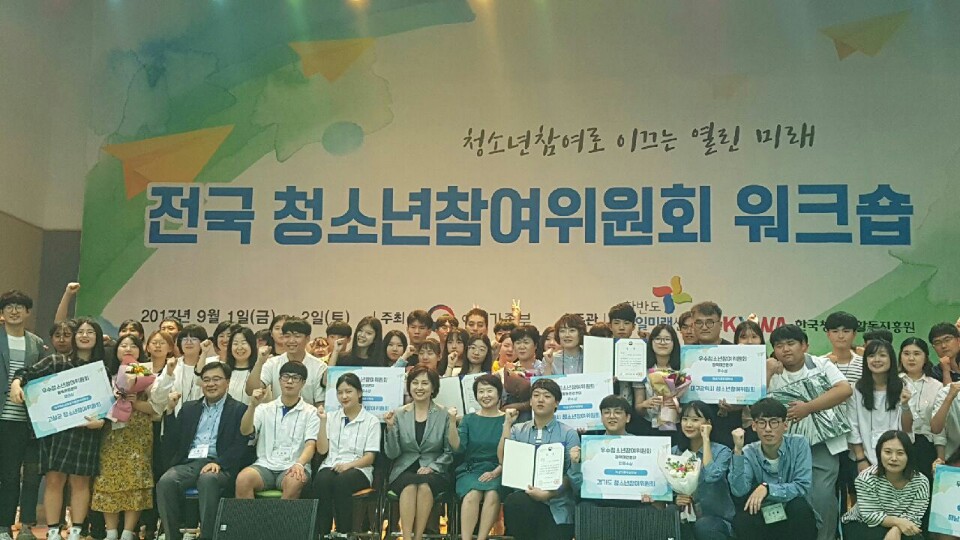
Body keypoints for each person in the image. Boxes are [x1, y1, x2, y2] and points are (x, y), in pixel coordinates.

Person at [10, 319, 115, 540]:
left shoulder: (101, 370)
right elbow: (26, 373)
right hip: (56, 431)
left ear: (97, 338)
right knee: (54, 480)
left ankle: (76, 530)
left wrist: (102, 422)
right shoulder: (56, 361)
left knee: (80, 481)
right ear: (74, 337)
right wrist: (17, 383)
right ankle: (53, 531)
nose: (84, 335)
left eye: (90, 332)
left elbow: (108, 407)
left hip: (86, 432)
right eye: (80, 332)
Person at [767, 324, 852, 540]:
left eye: (791, 343)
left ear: (804, 345)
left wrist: (808, 407)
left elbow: (844, 389)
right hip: (785, 448)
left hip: (822, 445)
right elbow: (757, 406)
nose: (785, 349)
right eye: (779, 345)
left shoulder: (821, 364)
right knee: (790, 501)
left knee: (822, 497)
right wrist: (767, 372)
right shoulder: (772, 371)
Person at [156, 362, 248, 540]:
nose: (210, 384)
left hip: (220, 464)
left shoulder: (238, 409)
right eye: (206, 380)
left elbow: (240, 444)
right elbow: (172, 441)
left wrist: (219, 463)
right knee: (166, 482)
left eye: (216, 379)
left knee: (208, 479)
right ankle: (171, 536)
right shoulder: (189, 408)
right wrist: (170, 411)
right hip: (190, 463)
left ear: (227, 382)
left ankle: (208, 536)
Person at [92, 335, 166, 540]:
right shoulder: (106, 375)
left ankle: (127, 532)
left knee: (136, 480)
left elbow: (156, 409)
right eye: (123, 345)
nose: (128, 348)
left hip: (138, 433)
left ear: (140, 350)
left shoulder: (147, 374)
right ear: (116, 350)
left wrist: (135, 402)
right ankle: (111, 532)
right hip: (112, 432)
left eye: (133, 345)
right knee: (108, 479)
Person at [500, 378, 581, 540]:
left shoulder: (569, 433)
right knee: (515, 501)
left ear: (556, 403)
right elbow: (504, 460)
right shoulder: (518, 430)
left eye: (547, 396)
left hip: (556, 504)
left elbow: (570, 475)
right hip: (525, 498)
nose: (540, 400)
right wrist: (507, 425)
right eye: (536, 395)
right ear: (530, 401)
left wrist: (548, 494)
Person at [729, 398, 817, 540]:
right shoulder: (748, 451)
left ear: (785, 425)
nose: (768, 429)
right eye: (762, 423)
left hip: (792, 511)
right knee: (742, 519)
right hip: (763, 514)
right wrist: (738, 451)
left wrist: (768, 489)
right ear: (754, 426)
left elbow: (802, 486)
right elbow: (739, 490)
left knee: (799, 507)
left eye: (774, 422)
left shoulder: (799, 444)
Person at [383, 366, 453, 540]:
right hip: (404, 469)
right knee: (409, 485)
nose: (419, 387)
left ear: (433, 388)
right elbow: (392, 453)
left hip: (435, 470)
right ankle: (408, 537)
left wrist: (433, 467)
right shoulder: (399, 413)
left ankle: (418, 536)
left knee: (424, 486)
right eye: (415, 383)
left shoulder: (444, 414)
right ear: (409, 386)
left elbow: (449, 451)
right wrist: (390, 428)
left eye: (425, 383)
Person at [236, 361, 320, 500]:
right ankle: (249, 516)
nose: (289, 381)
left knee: (294, 481)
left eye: (295, 378)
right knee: (243, 479)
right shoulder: (264, 409)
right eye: (285, 377)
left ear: (303, 383)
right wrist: (252, 406)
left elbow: (310, 445)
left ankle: (279, 516)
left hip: (294, 465)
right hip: (264, 465)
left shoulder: (311, 412)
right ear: (279, 380)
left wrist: (299, 464)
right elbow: (245, 431)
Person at [0, 290, 46, 540]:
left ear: (28, 312)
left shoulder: (36, 344)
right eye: (9, 306)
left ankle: (4, 526)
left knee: (10, 476)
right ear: (2, 312)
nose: (14, 311)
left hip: (20, 420)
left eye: (19, 306)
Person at [312, 373, 381, 536]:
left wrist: (348, 466)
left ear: (359, 393)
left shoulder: (371, 421)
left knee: (342, 481)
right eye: (340, 392)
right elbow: (322, 450)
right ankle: (323, 533)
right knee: (322, 480)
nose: (344, 396)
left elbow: (369, 458)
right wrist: (322, 422)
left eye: (349, 391)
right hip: (332, 465)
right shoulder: (331, 417)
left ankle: (344, 532)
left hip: (359, 469)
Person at [447, 374, 506, 540]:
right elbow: (457, 447)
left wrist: (496, 472)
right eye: (481, 391)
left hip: (499, 470)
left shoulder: (507, 419)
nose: (485, 395)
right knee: (472, 494)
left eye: (489, 391)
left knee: (492, 493)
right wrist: (451, 422)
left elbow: (509, 453)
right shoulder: (468, 419)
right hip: (471, 470)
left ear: (499, 393)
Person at [841, 430, 928, 540]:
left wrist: (896, 529)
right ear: (879, 454)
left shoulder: (921, 482)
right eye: (888, 452)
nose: (894, 458)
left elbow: (914, 516)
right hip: (862, 523)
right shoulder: (866, 478)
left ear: (909, 456)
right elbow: (870, 515)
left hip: (902, 526)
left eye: (900, 453)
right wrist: (898, 522)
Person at [670, 401, 735, 540]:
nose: (688, 424)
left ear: (708, 423)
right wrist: (676, 499)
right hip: (683, 516)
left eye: (695, 420)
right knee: (669, 518)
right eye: (685, 419)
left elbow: (711, 476)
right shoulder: (674, 452)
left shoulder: (722, 451)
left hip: (715, 519)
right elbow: (666, 489)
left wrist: (706, 439)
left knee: (704, 526)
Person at [848, 340, 912, 469]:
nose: (876, 360)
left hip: (896, 458)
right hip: (864, 459)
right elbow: (852, 426)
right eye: (871, 356)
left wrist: (905, 405)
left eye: (882, 355)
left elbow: (908, 428)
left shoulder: (904, 386)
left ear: (891, 359)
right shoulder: (856, 389)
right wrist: (861, 459)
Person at [247, 317, 326, 406]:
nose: (291, 341)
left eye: (297, 336)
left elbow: (320, 402)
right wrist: (259, 362)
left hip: (308, 414)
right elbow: (251, 390)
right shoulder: (273, 363)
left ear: (307, 338)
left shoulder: (319, 367)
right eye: (287, 336)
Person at [898, 338, 941, 499]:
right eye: (906, 353)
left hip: (926, 447)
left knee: (924, 495)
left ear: (926, 357)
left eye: (917, 354)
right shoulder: (892, 382)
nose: (911, 358)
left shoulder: (936, 386)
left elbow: (940, 426)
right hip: (898, 444)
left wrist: (940, 455)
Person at [632, 323, 681, 439]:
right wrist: (645, 404)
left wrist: (678, 407)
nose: (662, 343)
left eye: (667, 339)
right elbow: (638, 408)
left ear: (674, 343)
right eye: (658, 339)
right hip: (648, 427)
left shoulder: (682, 369)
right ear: (651, 342)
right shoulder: (641, 371)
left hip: (677, 427)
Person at [223, 327, 258, 405]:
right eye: (235, 343)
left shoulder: (259, 372)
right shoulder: (223, 371)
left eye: (243, 343)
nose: (239, 347)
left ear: (252, 345)